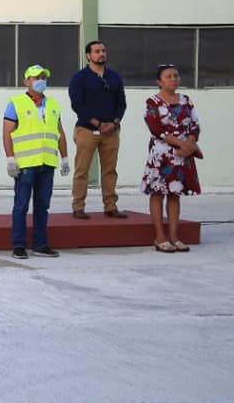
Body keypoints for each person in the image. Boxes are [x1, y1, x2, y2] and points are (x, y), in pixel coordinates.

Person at [3, 65, 71, 259]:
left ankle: (40, 245)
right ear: (26, 81)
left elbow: (60, 133)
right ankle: (19, 245)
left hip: (47, 163)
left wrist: (64, 157)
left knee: (43, 205)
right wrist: (10, 158)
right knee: (21, 205)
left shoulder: (53, 105)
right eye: (35, 77)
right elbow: (6, 133)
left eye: (43, 77)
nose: (40, 80)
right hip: (25, 164)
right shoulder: (16, 103)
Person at [141, 64, 202, 253]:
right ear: (159, 81)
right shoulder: (153, 102)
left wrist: (189, 143)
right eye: (168, 76)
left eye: (176, 75)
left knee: (175, 194)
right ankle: (160, 237)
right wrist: (181, 144)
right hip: (162, 155)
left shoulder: (186, 101)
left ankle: (174, 236)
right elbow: (155, 128)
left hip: (182, 155)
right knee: (158, 193)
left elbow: (195, 125)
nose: (173, 79)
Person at [68, 40, 128, 219]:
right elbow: (77, 105)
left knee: (110, 170)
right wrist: (98, 124)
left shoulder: (114, 77)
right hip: (87, 131)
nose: (101, 54)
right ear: (88, 55)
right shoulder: (79, 78)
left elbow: (121, 103)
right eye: (96, 51)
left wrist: (114, 123)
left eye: (103, 50)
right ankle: (78, 206)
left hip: (111, 132)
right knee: (82, 170)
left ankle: (110, 206)